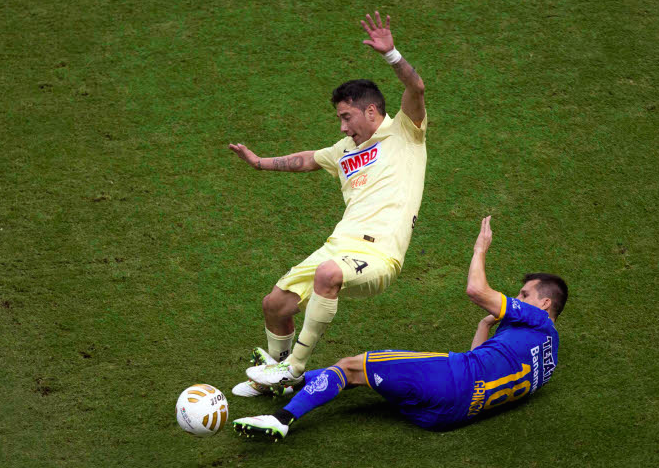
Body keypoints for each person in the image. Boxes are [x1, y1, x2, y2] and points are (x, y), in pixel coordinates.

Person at [228, 11, 428, 396]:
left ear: (371, 111)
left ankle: (293, 369)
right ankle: (275, 379)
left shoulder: (406, 132)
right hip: (338, 246)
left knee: (328, 274)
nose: (342, 127)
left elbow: (416, 88)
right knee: (275, 304)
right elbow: (307, 159)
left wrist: (391, 54)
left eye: (346, 117)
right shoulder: (344, 149)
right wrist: (259, 162)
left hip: (380, 253)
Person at [232, 216, 568, 440]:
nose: (516, 299)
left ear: (544, 305)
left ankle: (281, 419)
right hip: (446, 416)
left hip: (449, 380)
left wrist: (480, 248)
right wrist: (484, 323)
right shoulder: (549, 359)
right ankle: (290, 384)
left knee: (350, 368)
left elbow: (476, 290)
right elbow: (482, 358)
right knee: (360, 377)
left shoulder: (537, 319)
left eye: (524, 295)